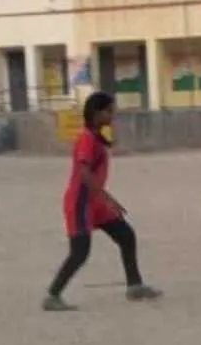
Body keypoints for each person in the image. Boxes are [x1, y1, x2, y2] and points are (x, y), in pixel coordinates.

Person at [44, 91, 162, 311]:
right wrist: (107, 197)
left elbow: (113, 145)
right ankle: (52, 295)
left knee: (126, 236)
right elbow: (84, 171)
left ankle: (134, 286)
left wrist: (102, 199)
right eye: (109, 111)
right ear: (96, 113)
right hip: (81, 201)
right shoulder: (86, 139)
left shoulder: (95, 135)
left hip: (94, 201)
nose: (112, 114)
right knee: (80, 252)